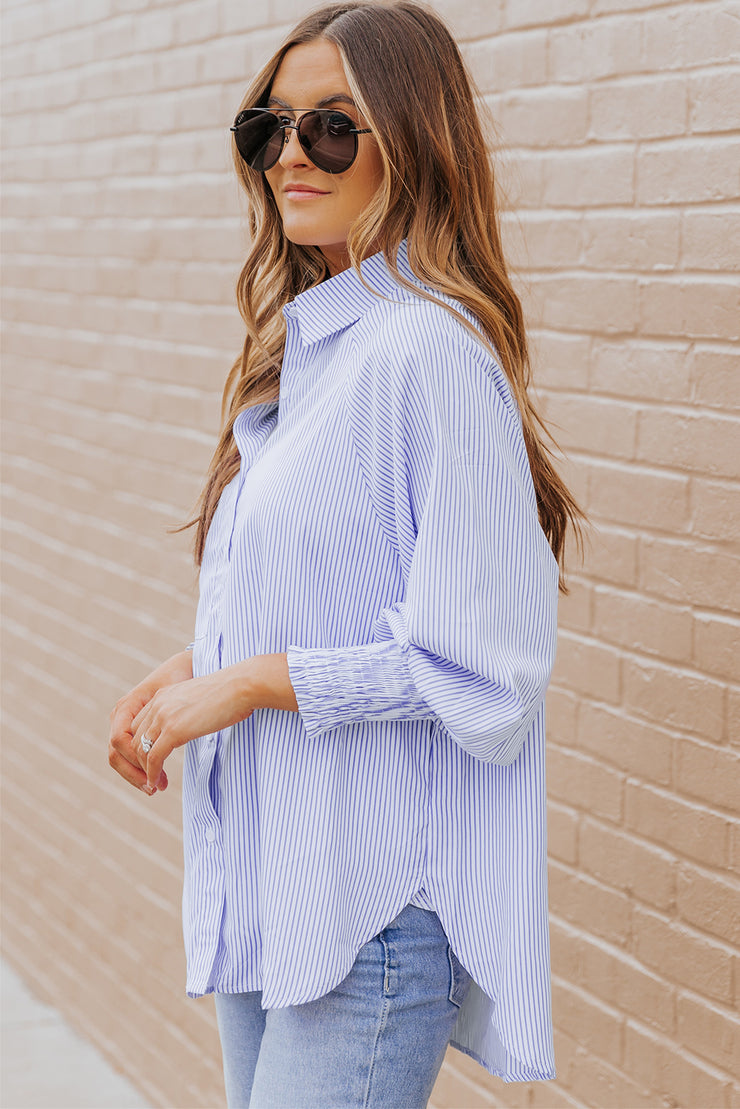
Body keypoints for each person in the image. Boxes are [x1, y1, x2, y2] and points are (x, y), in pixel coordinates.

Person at [109, 2, 583, 1106]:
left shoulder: (427, 352)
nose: (288, 154)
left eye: (329, 127)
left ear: (413, 140)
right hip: (273, 885)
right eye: (265, 127)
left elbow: (486, 669)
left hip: (362, 914)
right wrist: (196, 670)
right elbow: (339, 591)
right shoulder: (313, 347)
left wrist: (249, 681)